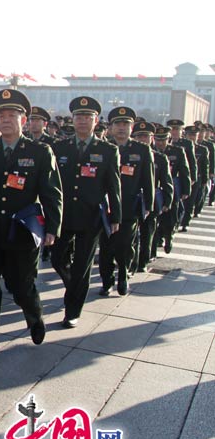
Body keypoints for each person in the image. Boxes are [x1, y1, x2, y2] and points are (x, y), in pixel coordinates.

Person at [0, 89, 62, 362]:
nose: (6, 120)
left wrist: (52, 228)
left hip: (22, 234)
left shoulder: (40, 152)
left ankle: (34, 316)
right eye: (1, 116)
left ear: (24, 120)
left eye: (12, 115)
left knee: (21, 286)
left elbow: (51, 193)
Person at [50, 97, 121, 328]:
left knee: (82, 266)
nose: (82, 121)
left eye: (87, 117)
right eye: (78, 117)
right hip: (63, 216)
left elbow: (114, 185)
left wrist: (115, 216)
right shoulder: (59, 147)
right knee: (57, 259)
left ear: (96, 121)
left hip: (91, 218)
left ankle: (72, 311)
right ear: (73, 120)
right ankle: (74, 286)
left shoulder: (108, 150)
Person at [97, 107, 154, 295]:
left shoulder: (142, 150)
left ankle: (123, 274)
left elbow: (148, 180)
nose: (121, 128)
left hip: (129, 206)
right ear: (111, 128)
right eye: (117, 124)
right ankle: (106, 280)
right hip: (106, 208)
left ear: (132, 127)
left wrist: (148, 204)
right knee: (105, 247)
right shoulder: (103, 148)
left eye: (125, 124)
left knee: (124, 245)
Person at [133, 122, 173, 272]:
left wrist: (168, 200)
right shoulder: (126, 154)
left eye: (146, 136)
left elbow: (167, 181)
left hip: (151, 200)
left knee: (147, 233)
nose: (143, 139)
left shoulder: (160, 158)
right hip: (133, 199)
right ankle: (132, 261)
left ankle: (143, 261)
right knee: (131, 235)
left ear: (152, 138)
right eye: (139, 136)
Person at [154, 126, 191, 254]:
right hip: (155, 187)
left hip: (171, 187)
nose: (160, 143)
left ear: (168, 139)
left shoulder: (177, 151)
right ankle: (157, 238)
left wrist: (186, 190)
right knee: (156, 216)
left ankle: (168, 237)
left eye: (163, 140)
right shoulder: (149, 151)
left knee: (171, 216)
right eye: (157, 140)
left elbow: (184, 171)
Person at [168, 119, 197, 232]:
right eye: (172, 129)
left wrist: (192, 179)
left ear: (181, 131)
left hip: (179, 178)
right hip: (164, 178)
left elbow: (192, 162)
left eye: (176, 129)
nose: (174, 132)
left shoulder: (186, 144)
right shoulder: (162, 141)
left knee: (179, 204)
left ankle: (181, 223)